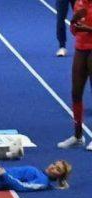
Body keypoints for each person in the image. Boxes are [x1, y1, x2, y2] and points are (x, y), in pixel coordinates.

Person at [58, 0, 92, 148]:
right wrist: (74, 22)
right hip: (80, 49)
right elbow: (74, 30)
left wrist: (87, 29)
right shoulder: (78, 2)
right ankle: (78, 136)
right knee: (76, 93)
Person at [0, 148, 71, 191]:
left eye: (57, 169)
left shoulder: (42, 182)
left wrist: (4, 175)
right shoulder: (42, 175)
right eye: (54, 164)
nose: (52, 167)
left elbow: (22, 186)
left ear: (59, 176)